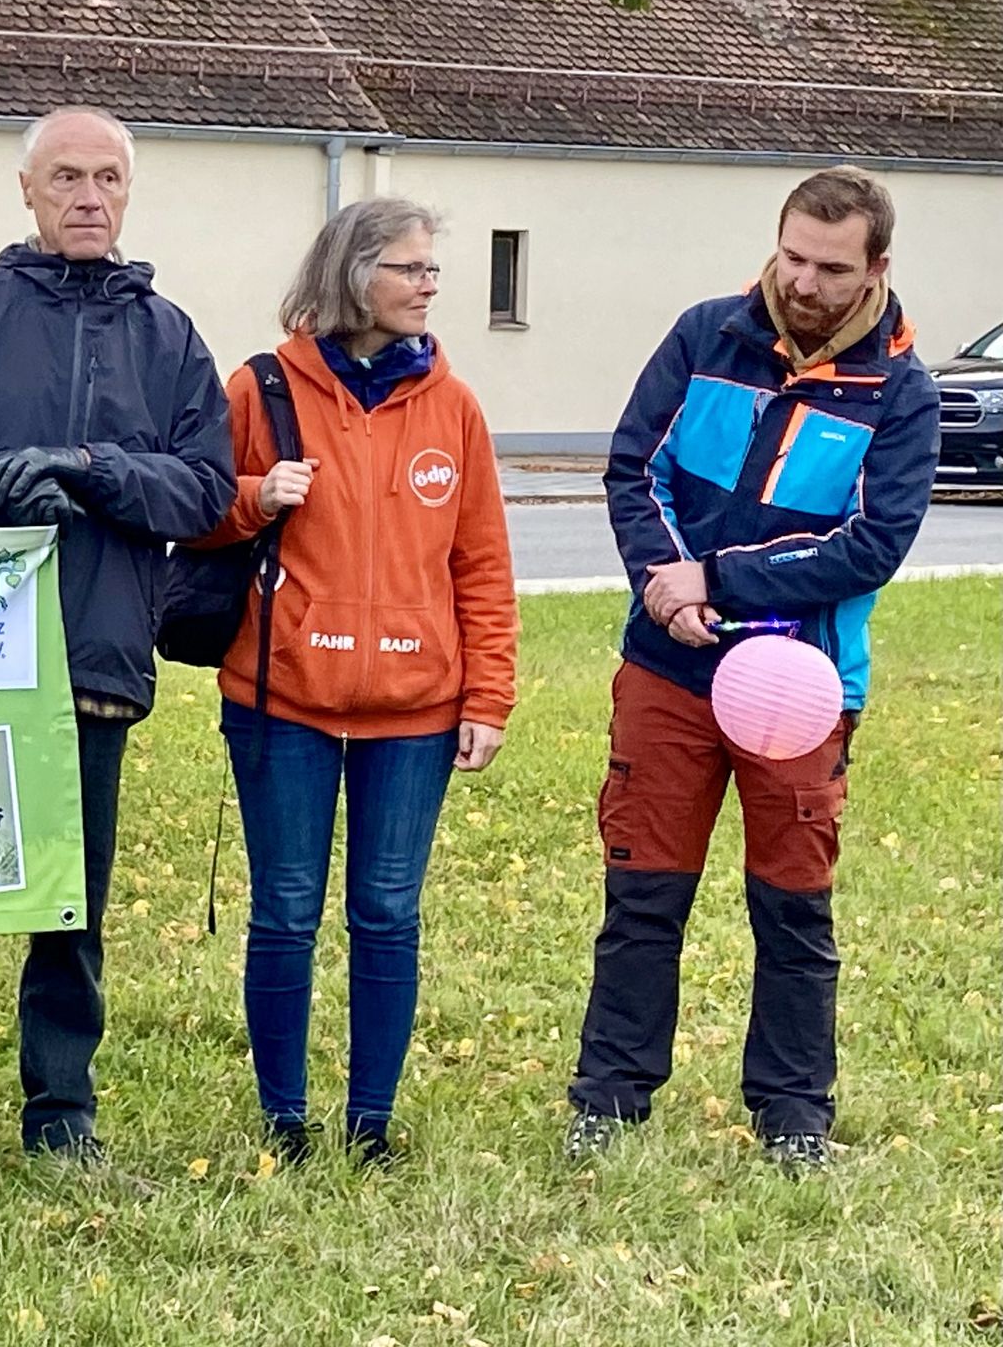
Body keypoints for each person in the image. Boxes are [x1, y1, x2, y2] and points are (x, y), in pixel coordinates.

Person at [0, 105, 235, 1194]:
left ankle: (63, 1119)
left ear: (128, 194)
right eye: (66, 176)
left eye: (108, 179)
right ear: (26, 189)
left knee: (71, 901)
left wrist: (100, 469)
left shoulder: (169, 339)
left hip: (93, 657)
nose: (88, 197)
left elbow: (205, 487)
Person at [565, 166, 938, 1172]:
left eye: (830, 268)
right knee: (643, 894)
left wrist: (715, 579)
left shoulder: (900, 394)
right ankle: (608, 1101)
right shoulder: (704, 336)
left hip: (802, 682)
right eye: (792, 257)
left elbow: (875, 542)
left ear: (876, 270)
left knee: (792, 906)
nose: (804, 283)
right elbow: (632, 470)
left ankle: (793, 1119)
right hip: (667, 669)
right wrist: (667, 587)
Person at [192, 197, 516, 1165]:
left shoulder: (452, 407)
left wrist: (488, 694)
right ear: (352, 273)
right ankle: (285, 1122)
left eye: (432, 271)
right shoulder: (260, 391)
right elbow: (196, 512)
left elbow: (483, 564)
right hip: (280, 700)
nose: (428, 286)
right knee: (285, 912)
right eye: (409, 269)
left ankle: (370, 1123)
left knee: (387, 912)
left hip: (416, 710)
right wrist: (255, 498)